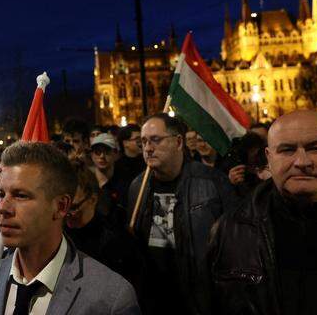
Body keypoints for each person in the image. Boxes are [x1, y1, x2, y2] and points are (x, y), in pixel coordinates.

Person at [208, 110, 317, 315]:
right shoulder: (231, 230)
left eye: (316, 148)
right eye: (287, 150)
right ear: (269, 158)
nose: (302, 162)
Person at [0, 141, 141, 314]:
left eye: (21, 195)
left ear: (61, 206)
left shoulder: (111, 298)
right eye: (1, 194)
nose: (3, 208)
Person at [126, 113, 239, 314]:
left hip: (202, 298)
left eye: (156, 140)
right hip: (156, 300)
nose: (148, 148)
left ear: (178, 142)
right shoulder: (138, 187)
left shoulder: (212, 182)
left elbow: (234, 243)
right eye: (143, 142)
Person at [65, 161, 145, 294]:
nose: (66, 214)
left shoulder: (117, 241)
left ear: (92, 199)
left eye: (73, 207)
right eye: (62, 206)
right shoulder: (56, 235)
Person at [89, 133, 127, 225]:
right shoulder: (87, 181)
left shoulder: (124, 183)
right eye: (97, 152)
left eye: (107, 151)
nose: (102, 156)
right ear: (91, 155)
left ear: (115, 154)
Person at [115, 124, 146, 206]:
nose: (141, 143)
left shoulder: (147, 162)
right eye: (137, 140)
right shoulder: (117, 166)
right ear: (125, 143)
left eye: (142, 139)